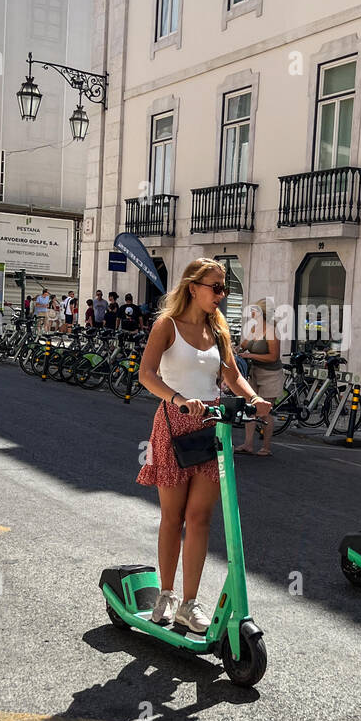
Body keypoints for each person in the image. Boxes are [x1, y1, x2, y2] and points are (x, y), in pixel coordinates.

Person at [137, 259, 271, 632]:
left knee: (200, 518)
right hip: (175, 423)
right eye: (215, 287)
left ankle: (190, 603)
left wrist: (254, 399)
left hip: (214, 426)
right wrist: (177, 398)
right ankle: (167, 593)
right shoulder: (167, 326)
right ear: (193, 287)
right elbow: (146, 374)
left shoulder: (218, 329)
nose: (221, 295)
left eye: (224, 288)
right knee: (173, 516)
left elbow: (232, 375)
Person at [236, 300, 284, 457]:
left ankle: (266, 447)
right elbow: (243, 345)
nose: (251, 314)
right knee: (250, 408)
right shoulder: (254, 328)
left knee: (264, 412)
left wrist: (250, 355)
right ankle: (248, 445)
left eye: (254, 311)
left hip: (270, 374)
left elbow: (273, 356)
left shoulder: (272, 331)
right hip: (254, 372)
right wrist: (236, 349)